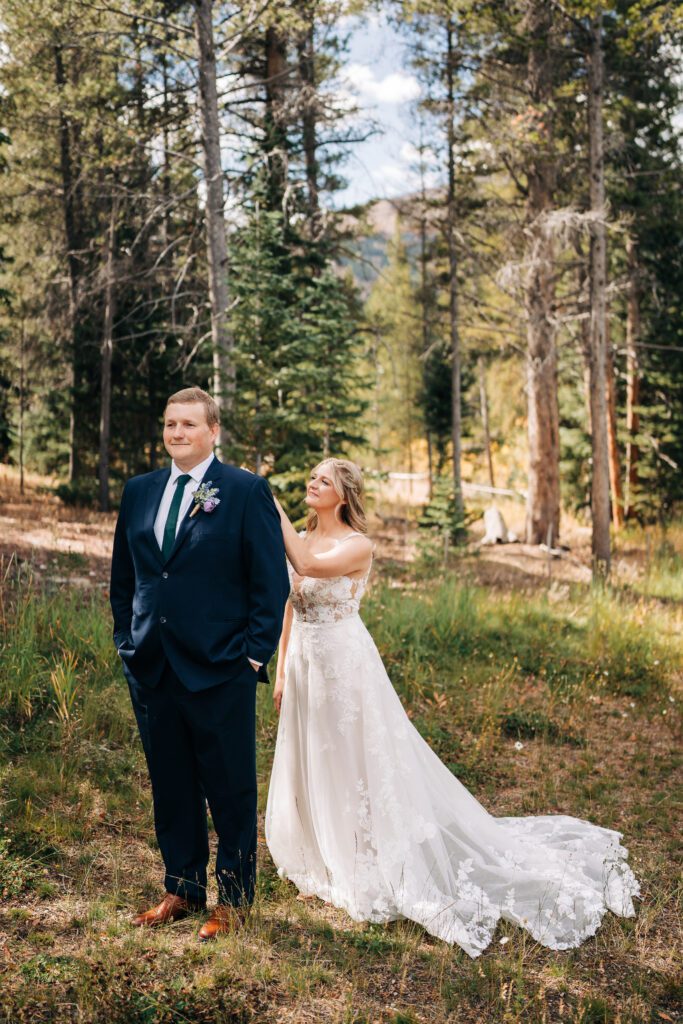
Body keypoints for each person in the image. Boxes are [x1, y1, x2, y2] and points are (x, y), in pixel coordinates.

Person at [265, 458, 640, 958]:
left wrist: (269, 506)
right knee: (314, 753)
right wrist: (283, 662)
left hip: (345, 665)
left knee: (351, 758)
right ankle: (320, 847)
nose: (312, 483)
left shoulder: (357, 545)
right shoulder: (305, 535)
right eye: (310, 476)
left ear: (344, 494)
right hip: (306, 661)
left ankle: (363, 853)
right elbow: (292, 599)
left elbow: (309, 569)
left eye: (323, 480)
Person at [110, 387, 289, 941]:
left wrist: (252, 656)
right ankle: (181, 889)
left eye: (189, 424)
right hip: (153, 666)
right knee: (171, 781)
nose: (177, 433)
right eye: (170, 424)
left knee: (230, 786)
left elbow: (270, 583)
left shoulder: (243, 490)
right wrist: (127, 643)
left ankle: (233, 900)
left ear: (214, 432)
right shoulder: (139, 492)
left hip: (220, 668)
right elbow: (126, 578)